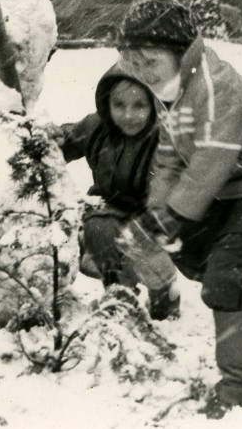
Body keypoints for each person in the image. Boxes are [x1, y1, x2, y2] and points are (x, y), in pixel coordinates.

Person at [115, 0, 242, 419]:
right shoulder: (172, 91)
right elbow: (169, 158)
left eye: (150, 60)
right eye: (134, 63)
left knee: (222, 274)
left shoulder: (214, 86)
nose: (142, 72)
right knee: (187, 249)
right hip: (233, 186)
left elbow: (211, 159)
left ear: (179, 52)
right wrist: (156, 216)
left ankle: (237, 388)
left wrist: (169, 217)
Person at [51, 69, 181, 321]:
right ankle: (119, 292)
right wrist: (49, 139)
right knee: (98, 227)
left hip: (154, 215)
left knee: (141, 242)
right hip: (109, 209)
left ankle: (164, 291)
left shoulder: (166, 140)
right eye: (119, 105)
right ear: (106, 103)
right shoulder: (96, 128)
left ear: (154, 104)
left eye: (139, 105)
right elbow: (64, 143)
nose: (128, 115)